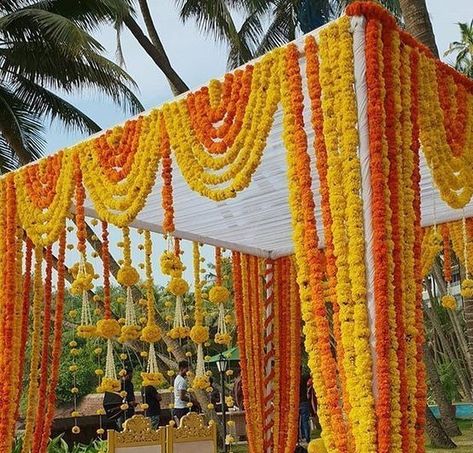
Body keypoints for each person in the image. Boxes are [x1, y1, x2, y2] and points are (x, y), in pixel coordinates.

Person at [299, 373, 311, 444]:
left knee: (297, 421)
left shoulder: (291, 378)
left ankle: (300, 437)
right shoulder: (303, 378)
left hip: (296, 402)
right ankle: (307, 438)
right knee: (305, 421)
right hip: (304, 402)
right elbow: (311, 374)